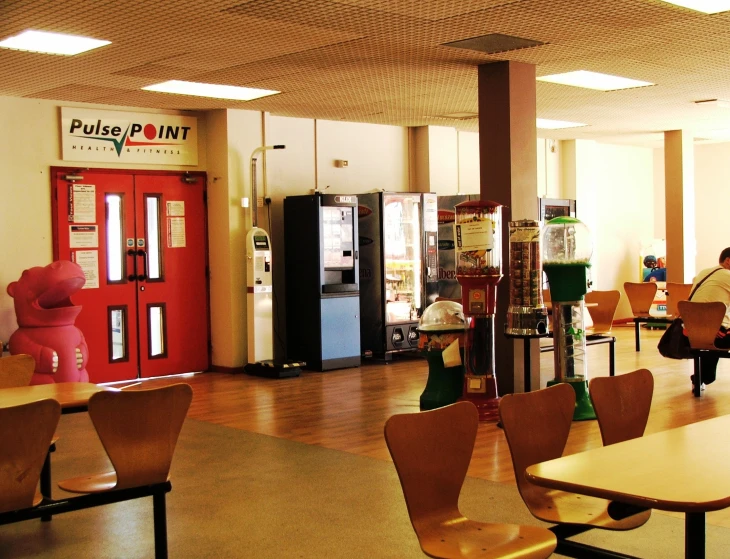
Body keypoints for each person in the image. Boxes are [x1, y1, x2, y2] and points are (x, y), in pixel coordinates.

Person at [688, 247, 730, 388]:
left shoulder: (703, 273)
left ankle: (701, 377)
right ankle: (704, 376)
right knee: (720, 330)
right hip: (714, 334)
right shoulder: (727, 275)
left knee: (717, 328)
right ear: (728, 261)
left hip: (689, 331)